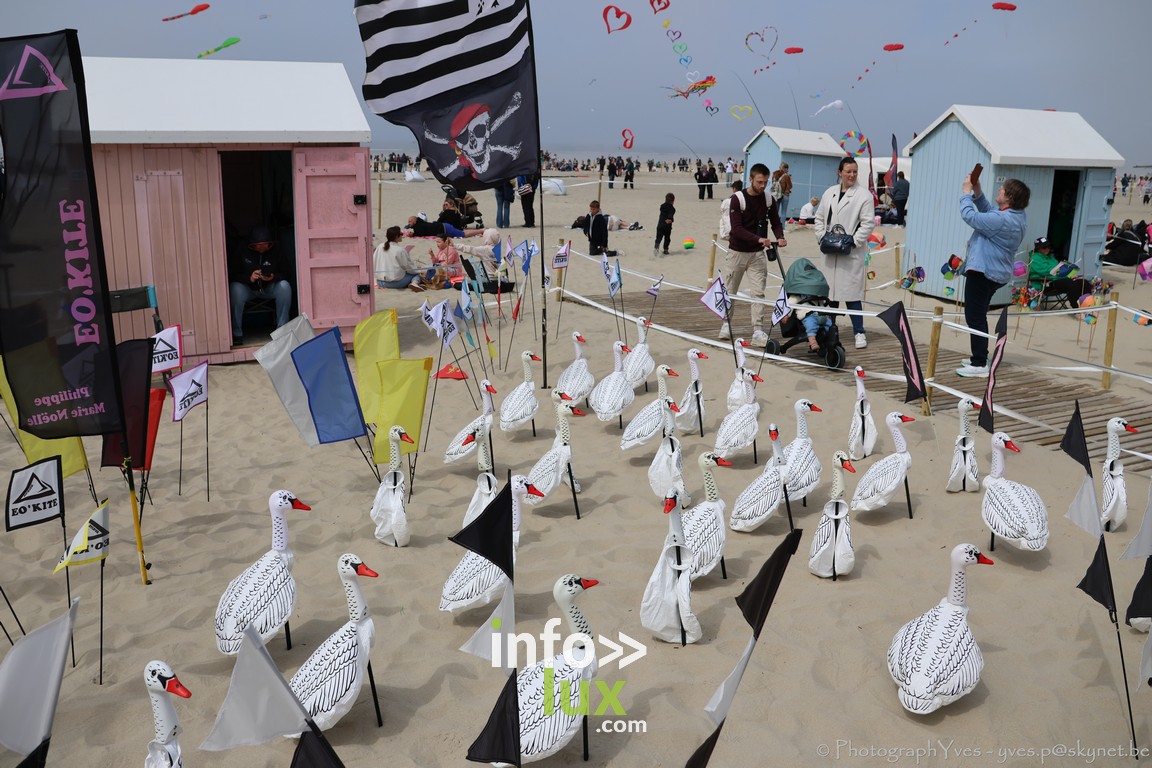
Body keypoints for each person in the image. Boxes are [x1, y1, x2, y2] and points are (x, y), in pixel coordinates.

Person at [955, 173, 1030, 377]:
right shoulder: (1016, 215)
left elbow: (971, 217)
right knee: (978, 315)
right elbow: (990, 214)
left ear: (1010, 197)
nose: (999, 190)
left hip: (984, 272)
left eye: (1003, 189)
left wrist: (966, 193)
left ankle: (979, 363)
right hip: (995, 272)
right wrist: (977, 191)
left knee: (974, 317)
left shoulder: (1003, 220)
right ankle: (979, 357)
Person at [813, 157, 876, 350]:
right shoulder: (829, 192)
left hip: (851, 254)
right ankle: (829, 330)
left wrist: (854, 241)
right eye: (848, 171)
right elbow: (819, 218)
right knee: (830, 295)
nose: (852, 175)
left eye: (855, 171)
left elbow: (868, 223)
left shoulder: (864, 196)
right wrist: (821, 237)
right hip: (829, 251)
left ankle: (859, 332)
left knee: (852, 294)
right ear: (840, 172)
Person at [720, 162, 786, 345]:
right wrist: (759, 239)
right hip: (737, 252)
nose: (763, 186)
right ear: (750, 179)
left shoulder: (769, 199)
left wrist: (780, 237)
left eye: (765, 182)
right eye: (759, 182)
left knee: (758, 293)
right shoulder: (737, 199)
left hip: (757, 255)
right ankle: (726, 324)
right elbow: (737, 229)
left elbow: (776, 222)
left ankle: (757, 330)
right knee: (730, 290)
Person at [229, 225, 292, 345]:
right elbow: (231, 274)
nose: (263, 247)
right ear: (252, 244)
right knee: (235, 288)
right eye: (259, 244)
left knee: (284, 286)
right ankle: (236, 333)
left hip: (269, 288)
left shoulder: (276, 249)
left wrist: (273, 277)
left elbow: (288, 272)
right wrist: (249, 278)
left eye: (265, 244)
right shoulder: (242, 249)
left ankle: (282, 332)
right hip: (248, 289)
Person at [1027, 236, 1091, 307]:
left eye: (1048, 246)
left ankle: (1088, 306)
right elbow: (1048, 272)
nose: (1047, 249)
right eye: (1044, 247)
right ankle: (1076, 308)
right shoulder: (1035, 258)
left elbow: (1059, 268)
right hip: (1046, 283)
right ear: (1038, 248)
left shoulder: (1051, 257)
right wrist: (1067, 276)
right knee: (1072, 285)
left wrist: (1070, 274)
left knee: (1084, 283)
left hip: (1058, 279)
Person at [373, 226, 425, 291]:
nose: (402, 235)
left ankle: (414, 283)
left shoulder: (380, 246)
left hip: (380, 281)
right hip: (394, 283)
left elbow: (374, 261)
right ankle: (414, 283)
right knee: (417, 275)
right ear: (396, 237)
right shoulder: (400, 250)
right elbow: (409, 268)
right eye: (401, 234)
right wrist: (420, 270)